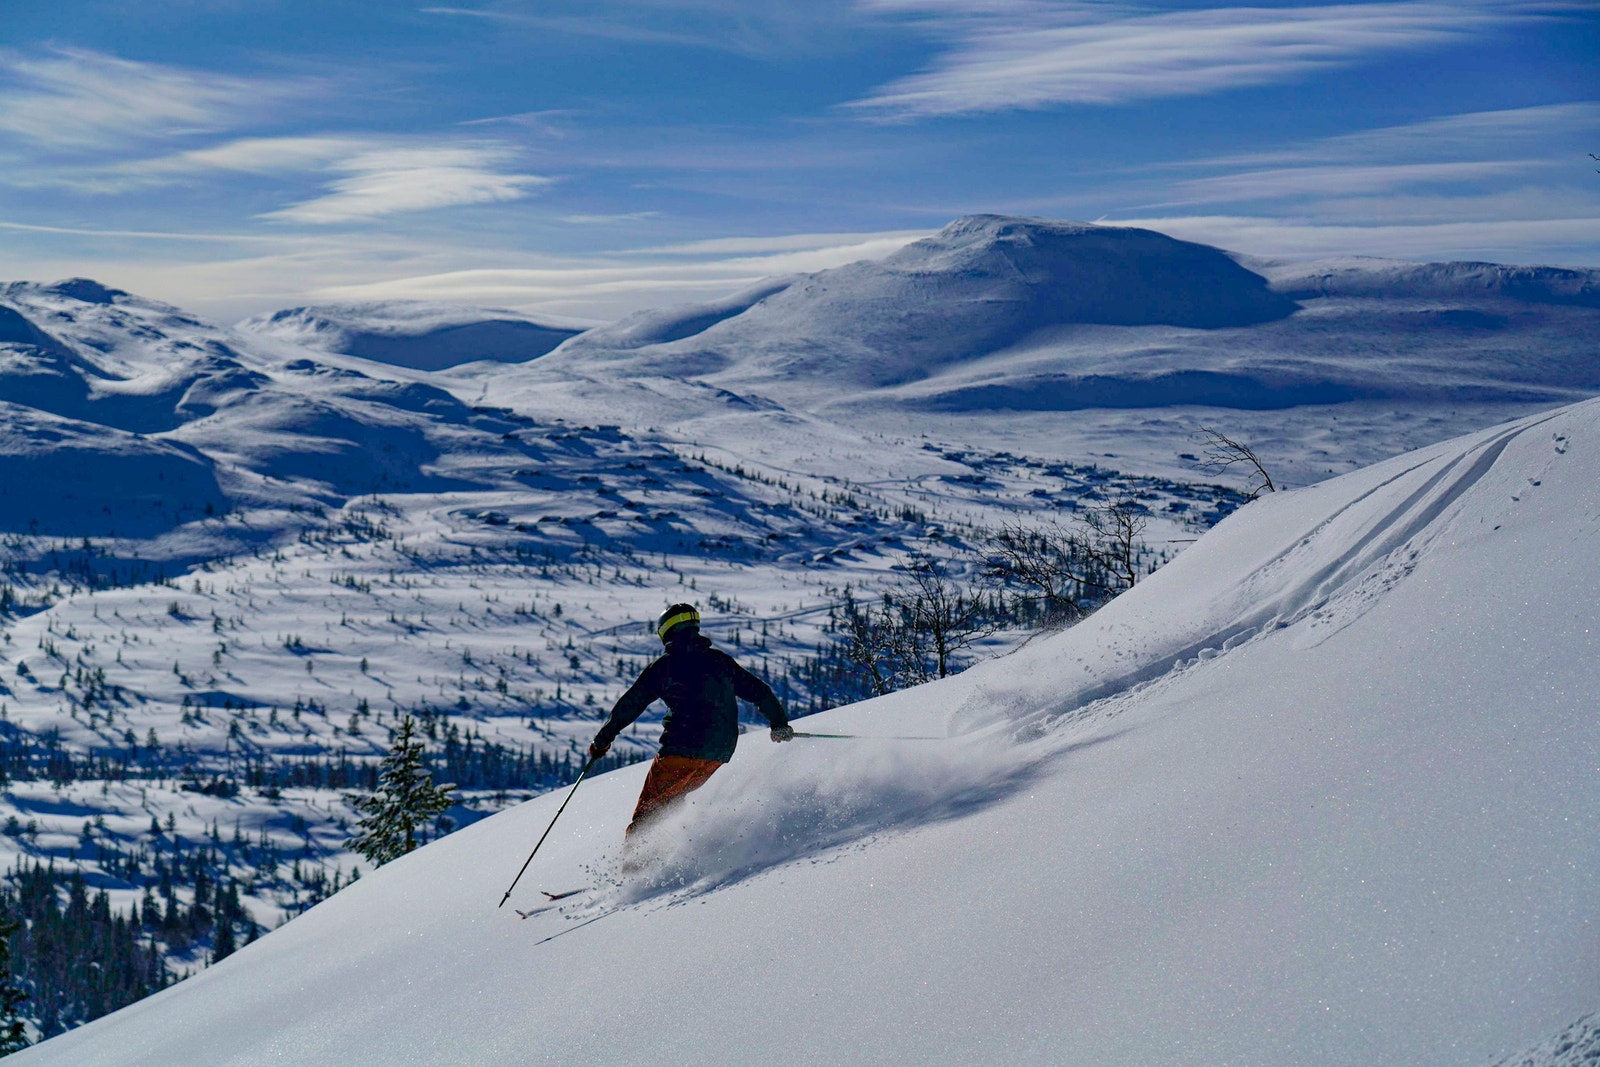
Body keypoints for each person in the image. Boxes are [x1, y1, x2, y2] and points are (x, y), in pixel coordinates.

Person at [589, 603, 794, 838]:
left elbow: (630, 704)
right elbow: (761, 692)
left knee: (648, 814)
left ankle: (634, 869)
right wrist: (779, 724)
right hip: (719, 752)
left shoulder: (665, 666)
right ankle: (675, 852)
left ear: (665, 631)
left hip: (682, 747)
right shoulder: (720, 661)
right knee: (671, 803)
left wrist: (602, 741)